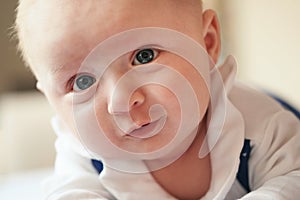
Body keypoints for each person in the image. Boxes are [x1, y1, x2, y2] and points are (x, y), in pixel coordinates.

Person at [14, 0, 300, 199]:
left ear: (208, 42)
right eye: (82, 82)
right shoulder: (86, 154)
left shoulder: (259, 125)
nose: (121, 101)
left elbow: (292, 180)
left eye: (144, 57)